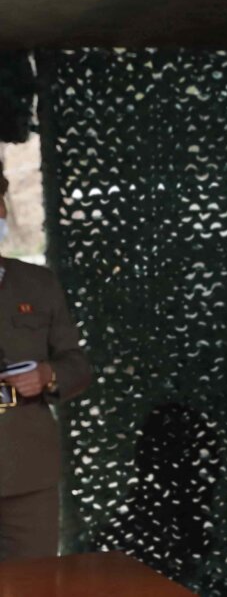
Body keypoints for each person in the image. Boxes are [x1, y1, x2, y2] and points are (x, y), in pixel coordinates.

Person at [0, 162, 93, 560]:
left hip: (27, 472)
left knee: (34, 581)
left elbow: (78, 365)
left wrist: (48, 375)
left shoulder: (38, 284)